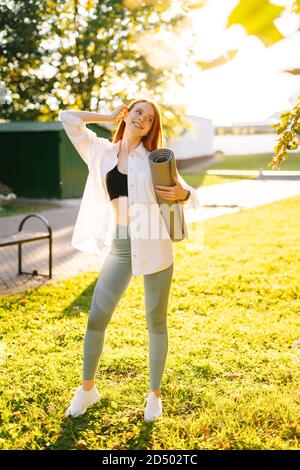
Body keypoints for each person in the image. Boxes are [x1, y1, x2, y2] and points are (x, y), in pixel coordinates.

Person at [59, 99, 200, 421]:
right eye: (138, 111)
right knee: (97, 316)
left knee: (156, 322)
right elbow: (68, 118)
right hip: (119, 247)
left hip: (156, 247)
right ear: (127, 114)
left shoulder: (153, 159)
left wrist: (185, 195)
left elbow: (186, 190)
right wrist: (108, 117)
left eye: (149, 118)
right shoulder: (101, 151)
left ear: (152, 128)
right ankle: (87, 390)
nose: (142, 119)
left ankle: (154, 396)